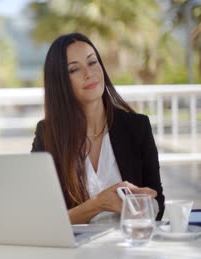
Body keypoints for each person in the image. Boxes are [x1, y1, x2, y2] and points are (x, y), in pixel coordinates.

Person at [31, 33, 164, 224]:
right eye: (74, 69)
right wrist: (99, 204)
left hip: (128, 246)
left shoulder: (137, 127)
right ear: (60, 82)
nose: (89, 73)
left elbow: (157, 203)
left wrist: (143, 204)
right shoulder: (47, 134)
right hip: (75, 249)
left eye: (92, 62)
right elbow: (42, 219)